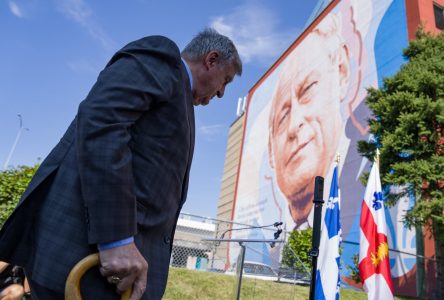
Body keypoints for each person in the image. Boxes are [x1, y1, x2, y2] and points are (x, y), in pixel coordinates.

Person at [0, 28, 242, 300]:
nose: (221, 93)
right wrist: (117, 239)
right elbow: (103, 123)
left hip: (109, 275)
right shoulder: (163, 58)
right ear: (211, 60)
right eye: (227, 80)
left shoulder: (180, 97)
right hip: (86, 263)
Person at [267, 14, 352, 229]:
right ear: (270, 152)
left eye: (308, 89)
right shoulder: (267, 245)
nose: (294, 125)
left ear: (341, 73)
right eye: (283, 117)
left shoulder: (367, 184)